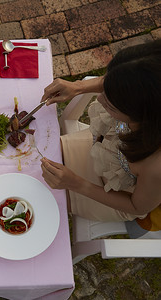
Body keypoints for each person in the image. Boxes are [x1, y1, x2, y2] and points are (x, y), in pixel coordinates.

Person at [39, 40, 161, 230]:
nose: (100, 98)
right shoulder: (150, 79)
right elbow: (117, 82)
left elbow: (137, 207)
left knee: (42, 201)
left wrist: (76, 183)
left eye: (112, 104)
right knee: (31, 157)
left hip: (114, 195)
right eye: (106, 89)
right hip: (99, 148)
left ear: (143, 117)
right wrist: (78, 87)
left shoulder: (156, 166)